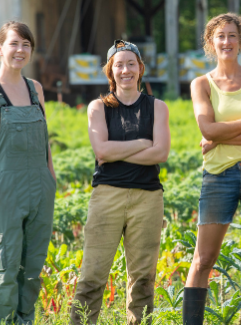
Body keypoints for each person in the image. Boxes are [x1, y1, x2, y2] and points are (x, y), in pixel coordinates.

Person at [69, 39, 170, 325]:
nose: (125, 70)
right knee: (92, 276)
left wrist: (118, 152)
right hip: (107, 196)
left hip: (148, 198)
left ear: (140, 68)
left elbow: (161, 152)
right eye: (118, 65)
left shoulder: (157, 107)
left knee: (143, 280)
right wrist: (142, 142)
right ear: (110, 72)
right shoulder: (98, 108)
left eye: (130, 64)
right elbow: (101, 151)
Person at [183, 12, 241, 325]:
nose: (227, 41)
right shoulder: (201, 84)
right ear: (210, 43)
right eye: (220, 36)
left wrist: (222, 134)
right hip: (218, 177)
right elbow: (207, 130)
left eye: (232, 35)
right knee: (204, 258)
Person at [0, 21, 56, 325]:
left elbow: (45, 141)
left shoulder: (35, 89)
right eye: (14, 44)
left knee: (31, 272)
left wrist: (50, 177)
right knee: (2, 271)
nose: (20, 50)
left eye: (26, 44)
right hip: (3, 191)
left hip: (38, 188)